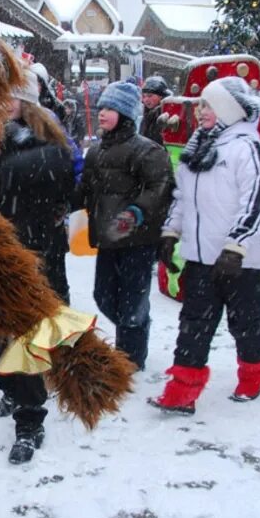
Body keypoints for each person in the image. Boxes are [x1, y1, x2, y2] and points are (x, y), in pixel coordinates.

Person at [151, 76, 260, 415]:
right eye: (201, 104)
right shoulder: (198, 148)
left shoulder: (249, 149)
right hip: (201, 257)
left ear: (228, 110)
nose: (200, 111)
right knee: (194, 323)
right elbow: (183, 198)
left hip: (242, 260)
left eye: (208, 104)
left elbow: (258, 202)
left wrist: (236, 246)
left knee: (245, 322)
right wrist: (170, 233)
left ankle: (255, 375)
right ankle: (182, 391)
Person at [0, 68, 74, 464]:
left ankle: (30, 420)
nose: (4, 105)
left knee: (21, 335)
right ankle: (10, 389)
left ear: (27, 102)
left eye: (11, 98)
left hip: (33, 250)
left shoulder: (48, 142)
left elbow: (63, 186)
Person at [76, 81, 173, 370]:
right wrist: (62, 205)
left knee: (132, 301)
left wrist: (135, 213)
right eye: (102, 107)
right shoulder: (95, 152)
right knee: (103, 295)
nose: (102, 113)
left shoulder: (147, 150)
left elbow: (161, 187)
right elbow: (86, 190)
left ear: (127, 114)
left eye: (110, 108)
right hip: (107, 238)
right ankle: (135, 329)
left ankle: (130, 357)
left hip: (138, 240)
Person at [140, 75, 172, 146]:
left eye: (150, 95)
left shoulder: (166, 116)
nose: (146, 100)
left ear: (161, 96)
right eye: (144, 96)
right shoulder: (147, 115)